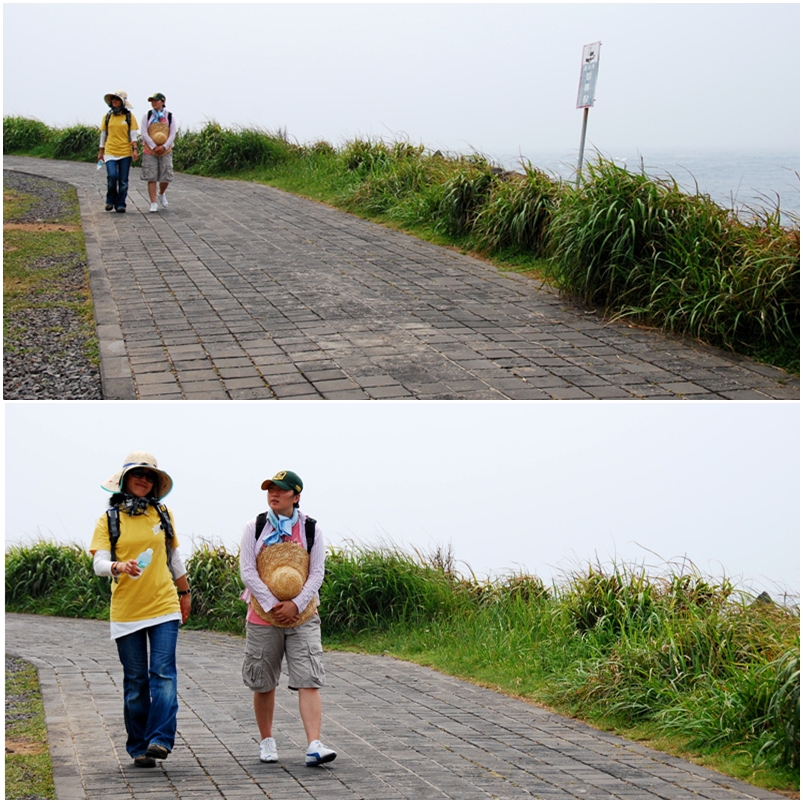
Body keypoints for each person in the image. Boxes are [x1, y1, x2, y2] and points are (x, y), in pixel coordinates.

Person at [89, 452, 191, 768]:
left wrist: (185, 592)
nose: (144, 480)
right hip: (127, 611)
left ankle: (160, 739)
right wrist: (118, 566)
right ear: (124, 480)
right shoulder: (109, 520)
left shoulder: (163, 514)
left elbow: (174, 558)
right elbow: (98, 564)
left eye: (149, 476)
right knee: (135, 682)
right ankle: (139, 745)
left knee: (163, 674)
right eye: (138, 474)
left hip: (163, 605)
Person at [240, 470, 337, 767]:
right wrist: (271, 603)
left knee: (309, 677)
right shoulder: (254, 527)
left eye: (281, 490)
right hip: (262, 615)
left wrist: (296, 604)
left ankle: (314, 744)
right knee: (263, 681)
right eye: (270, 489)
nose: (274, 494)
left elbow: (317, 573)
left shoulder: (311, 530)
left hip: (304, 616)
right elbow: (247, 571)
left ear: (296, 496)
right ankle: (266, 740)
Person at [98, 91, 139, 213]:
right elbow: (103, 134)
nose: (114, 101)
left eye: (117, 99)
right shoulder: (108, 116)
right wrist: (101, 151)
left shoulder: (129, 116)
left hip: (125, 151)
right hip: (110, 150)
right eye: (113, 99)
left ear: (122, 102)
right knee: (112, 176)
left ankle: (121, 203)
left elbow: (133, 134)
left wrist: (135, 149)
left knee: (123, 180)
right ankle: (110, 200)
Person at [140, 93, 177, 213]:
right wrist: (153, 146)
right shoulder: (148, 115)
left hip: (166, 150)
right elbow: (144, 132)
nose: (154, 103)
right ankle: (153, 202)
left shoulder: (169, 116)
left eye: (156, 101)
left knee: (166, 175)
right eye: (152, 101)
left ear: (162, 102)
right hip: (150, 150)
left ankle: (161, 193)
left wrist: (164, 146)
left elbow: (172, 133)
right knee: (151, 176)